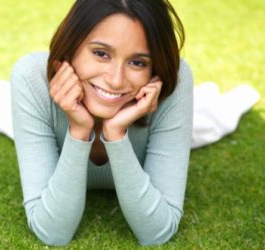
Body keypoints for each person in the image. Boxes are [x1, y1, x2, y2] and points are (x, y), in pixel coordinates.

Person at [10, 0, 192, 246]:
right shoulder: (31, 79)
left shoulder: (174, 84)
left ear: (155, 69)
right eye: (101, 54)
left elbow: (157, 232)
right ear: (69, 48)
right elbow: (52, 232)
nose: (116, 81)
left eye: (138, 62)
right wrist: (79, 130)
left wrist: (116, 134)